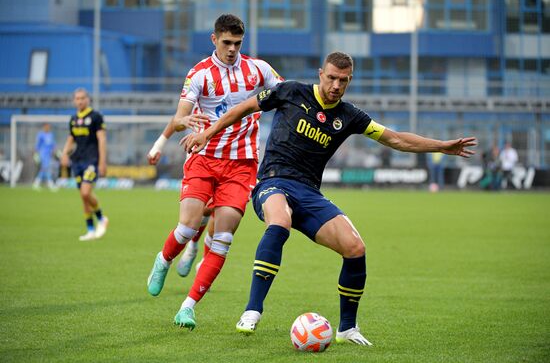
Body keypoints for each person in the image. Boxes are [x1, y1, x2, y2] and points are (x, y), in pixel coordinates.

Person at [184, 51, 477, 346]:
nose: (336, 85)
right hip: (272, 182)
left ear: (350, 80)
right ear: (321, 73)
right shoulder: (290, 91)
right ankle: (252, 310)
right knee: (280, 221)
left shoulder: (349, 116)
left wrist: (441, 146)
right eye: (332, 78)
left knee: (355, 247)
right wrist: (208, 133)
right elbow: (243, 108)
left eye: (343, 80)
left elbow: (396, 139)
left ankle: (347, 328)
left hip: (309, 192)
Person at [145, 14, 283, 330]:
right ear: (214, 39)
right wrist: (182, 122)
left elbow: (285, 90)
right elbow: (181, 115)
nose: (232, 49)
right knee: (187, 226)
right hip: (203, 158)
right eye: (226, 42)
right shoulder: (199, 75)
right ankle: (164, 261)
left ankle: (187, 307)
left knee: (222, 239)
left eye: (237, 43)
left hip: (242, 165)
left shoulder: (258, 69)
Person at [60, 88, 109, 241]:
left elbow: (101, 139)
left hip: (91, 161)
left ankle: (101, 218)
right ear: (74, 101)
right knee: (83, 197)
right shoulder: (73, 119)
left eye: (82, 98)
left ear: (88, 99)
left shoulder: (96, 117)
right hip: (77, 162)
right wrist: (64, 154)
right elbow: (71, 138)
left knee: (85, 193)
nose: (80, 101)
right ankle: (90, 229)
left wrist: (102, 162)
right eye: (77, 98)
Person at [32, 123, 58, 191]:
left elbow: (53, 144)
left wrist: (55, 150)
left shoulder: (51, 135)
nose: (47, 128)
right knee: (46, 168)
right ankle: (50, 183)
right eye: (46, 127)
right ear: (44, 127)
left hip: (48, 154)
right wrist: (36, 153)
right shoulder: (41, 135)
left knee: (44, 169)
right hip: (42, 153)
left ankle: (36, 183)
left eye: (48, 127)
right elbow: (38, 145)